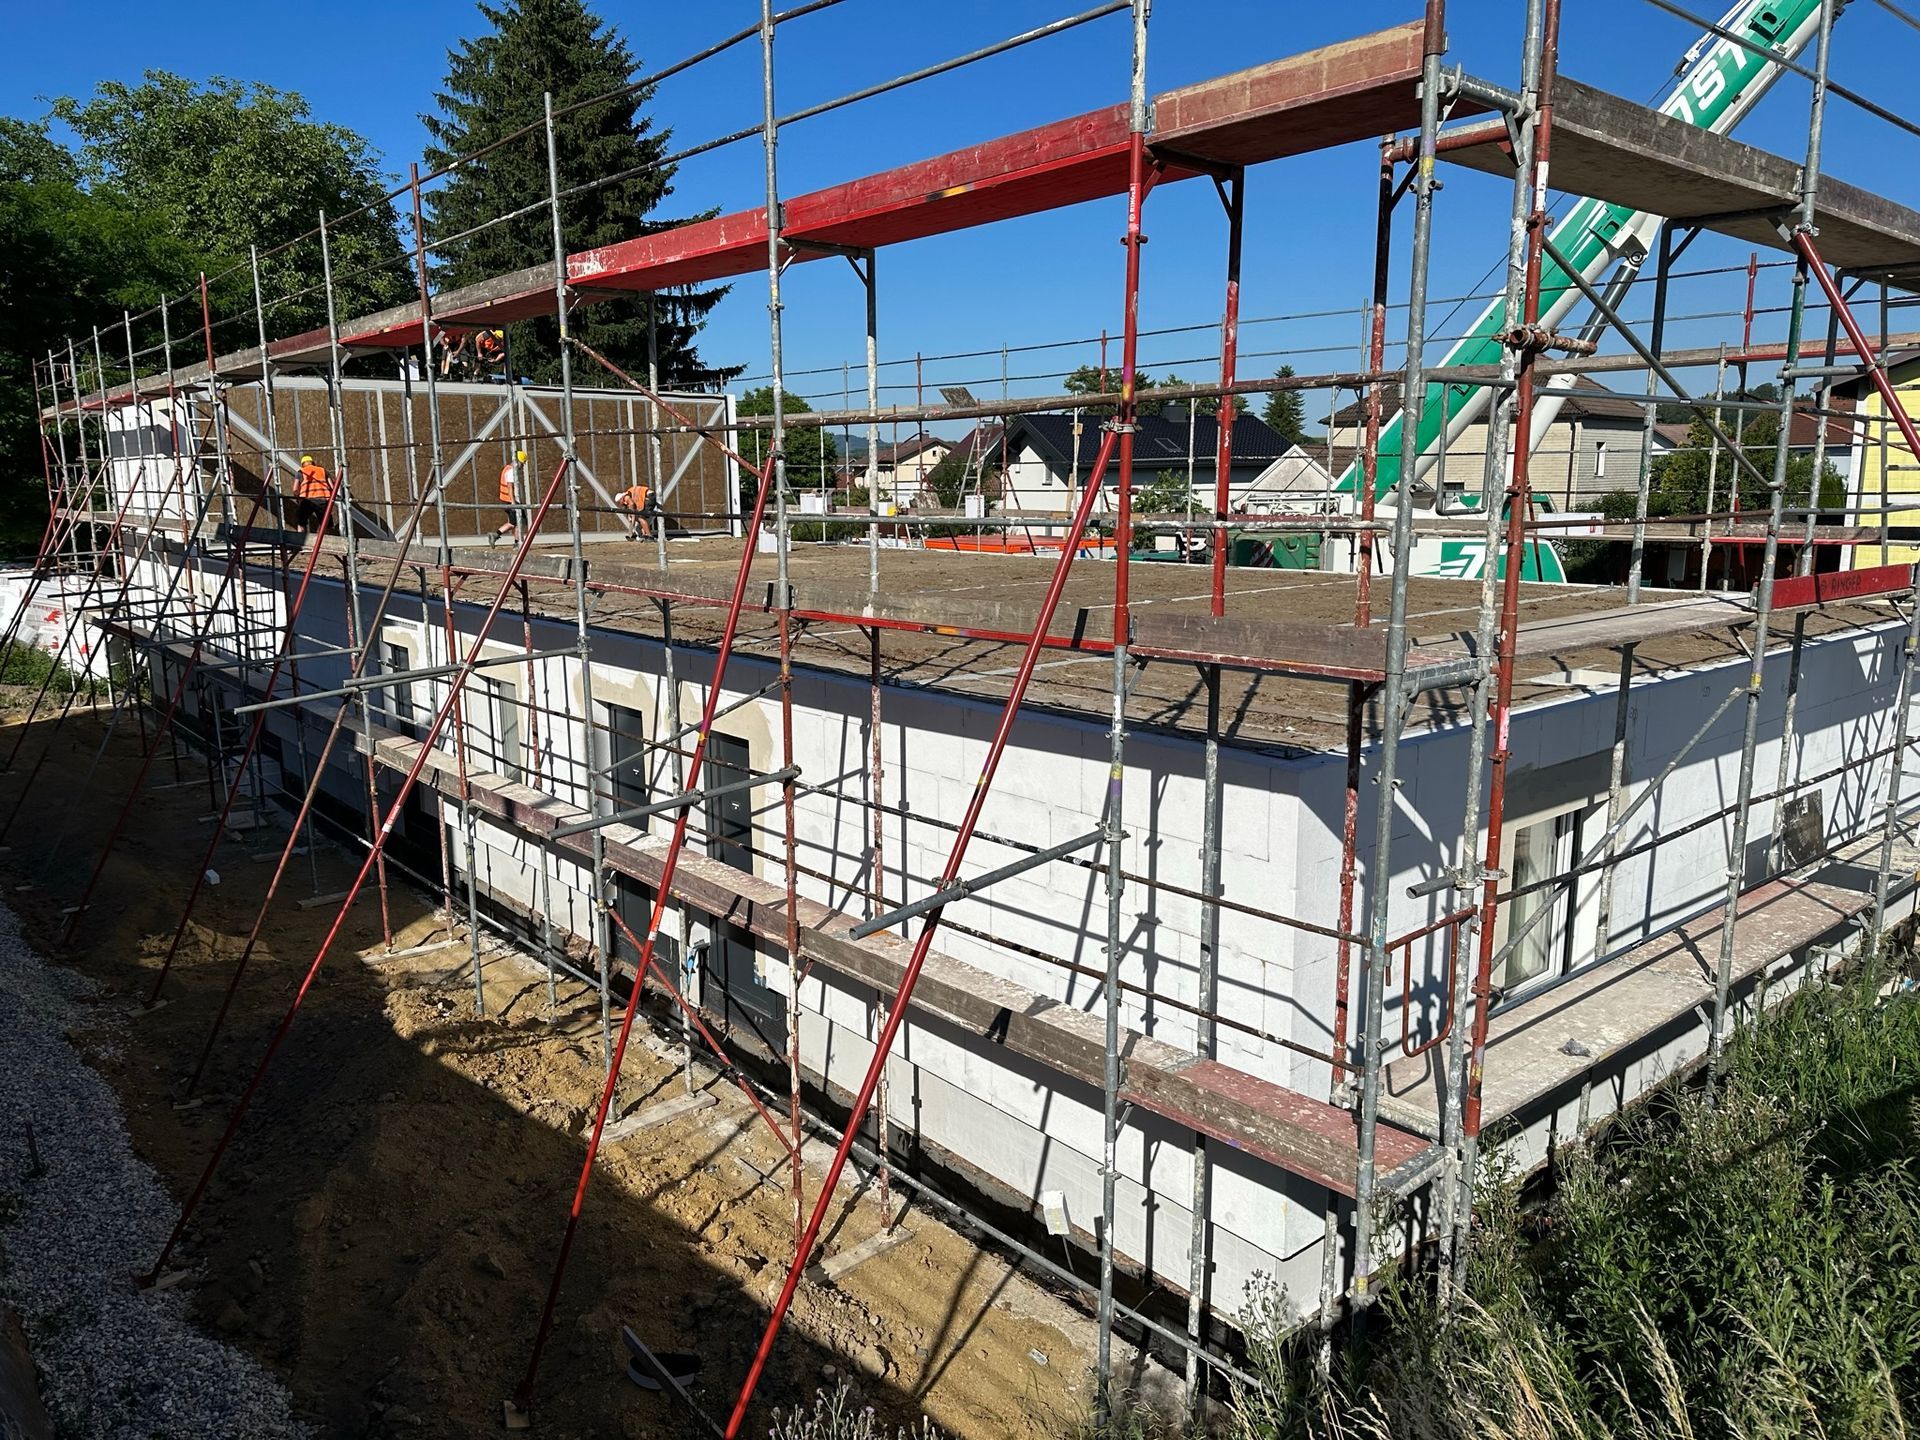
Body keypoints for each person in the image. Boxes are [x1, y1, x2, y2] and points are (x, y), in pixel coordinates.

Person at [492, 448, 528, 546]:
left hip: (506, 500)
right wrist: (513, 502)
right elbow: (509, 487)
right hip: (510, 500)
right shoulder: (511, 472)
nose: (522, 466)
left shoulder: (507, 468)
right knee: (520, 522)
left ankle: (496, 535)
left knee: (513, 522)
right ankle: (517, 542)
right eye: (522, 463)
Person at [294, 454, 334, 533]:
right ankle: (323, 542)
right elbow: (332, 487)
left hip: (307, 500)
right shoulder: (323, 470)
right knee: (325, 524)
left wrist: (297, 498)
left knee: (301, 523)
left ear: (303, 464)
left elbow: (295, 489)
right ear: (313, 463)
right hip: (323, 500)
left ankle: (300, 541)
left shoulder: (301, 472)